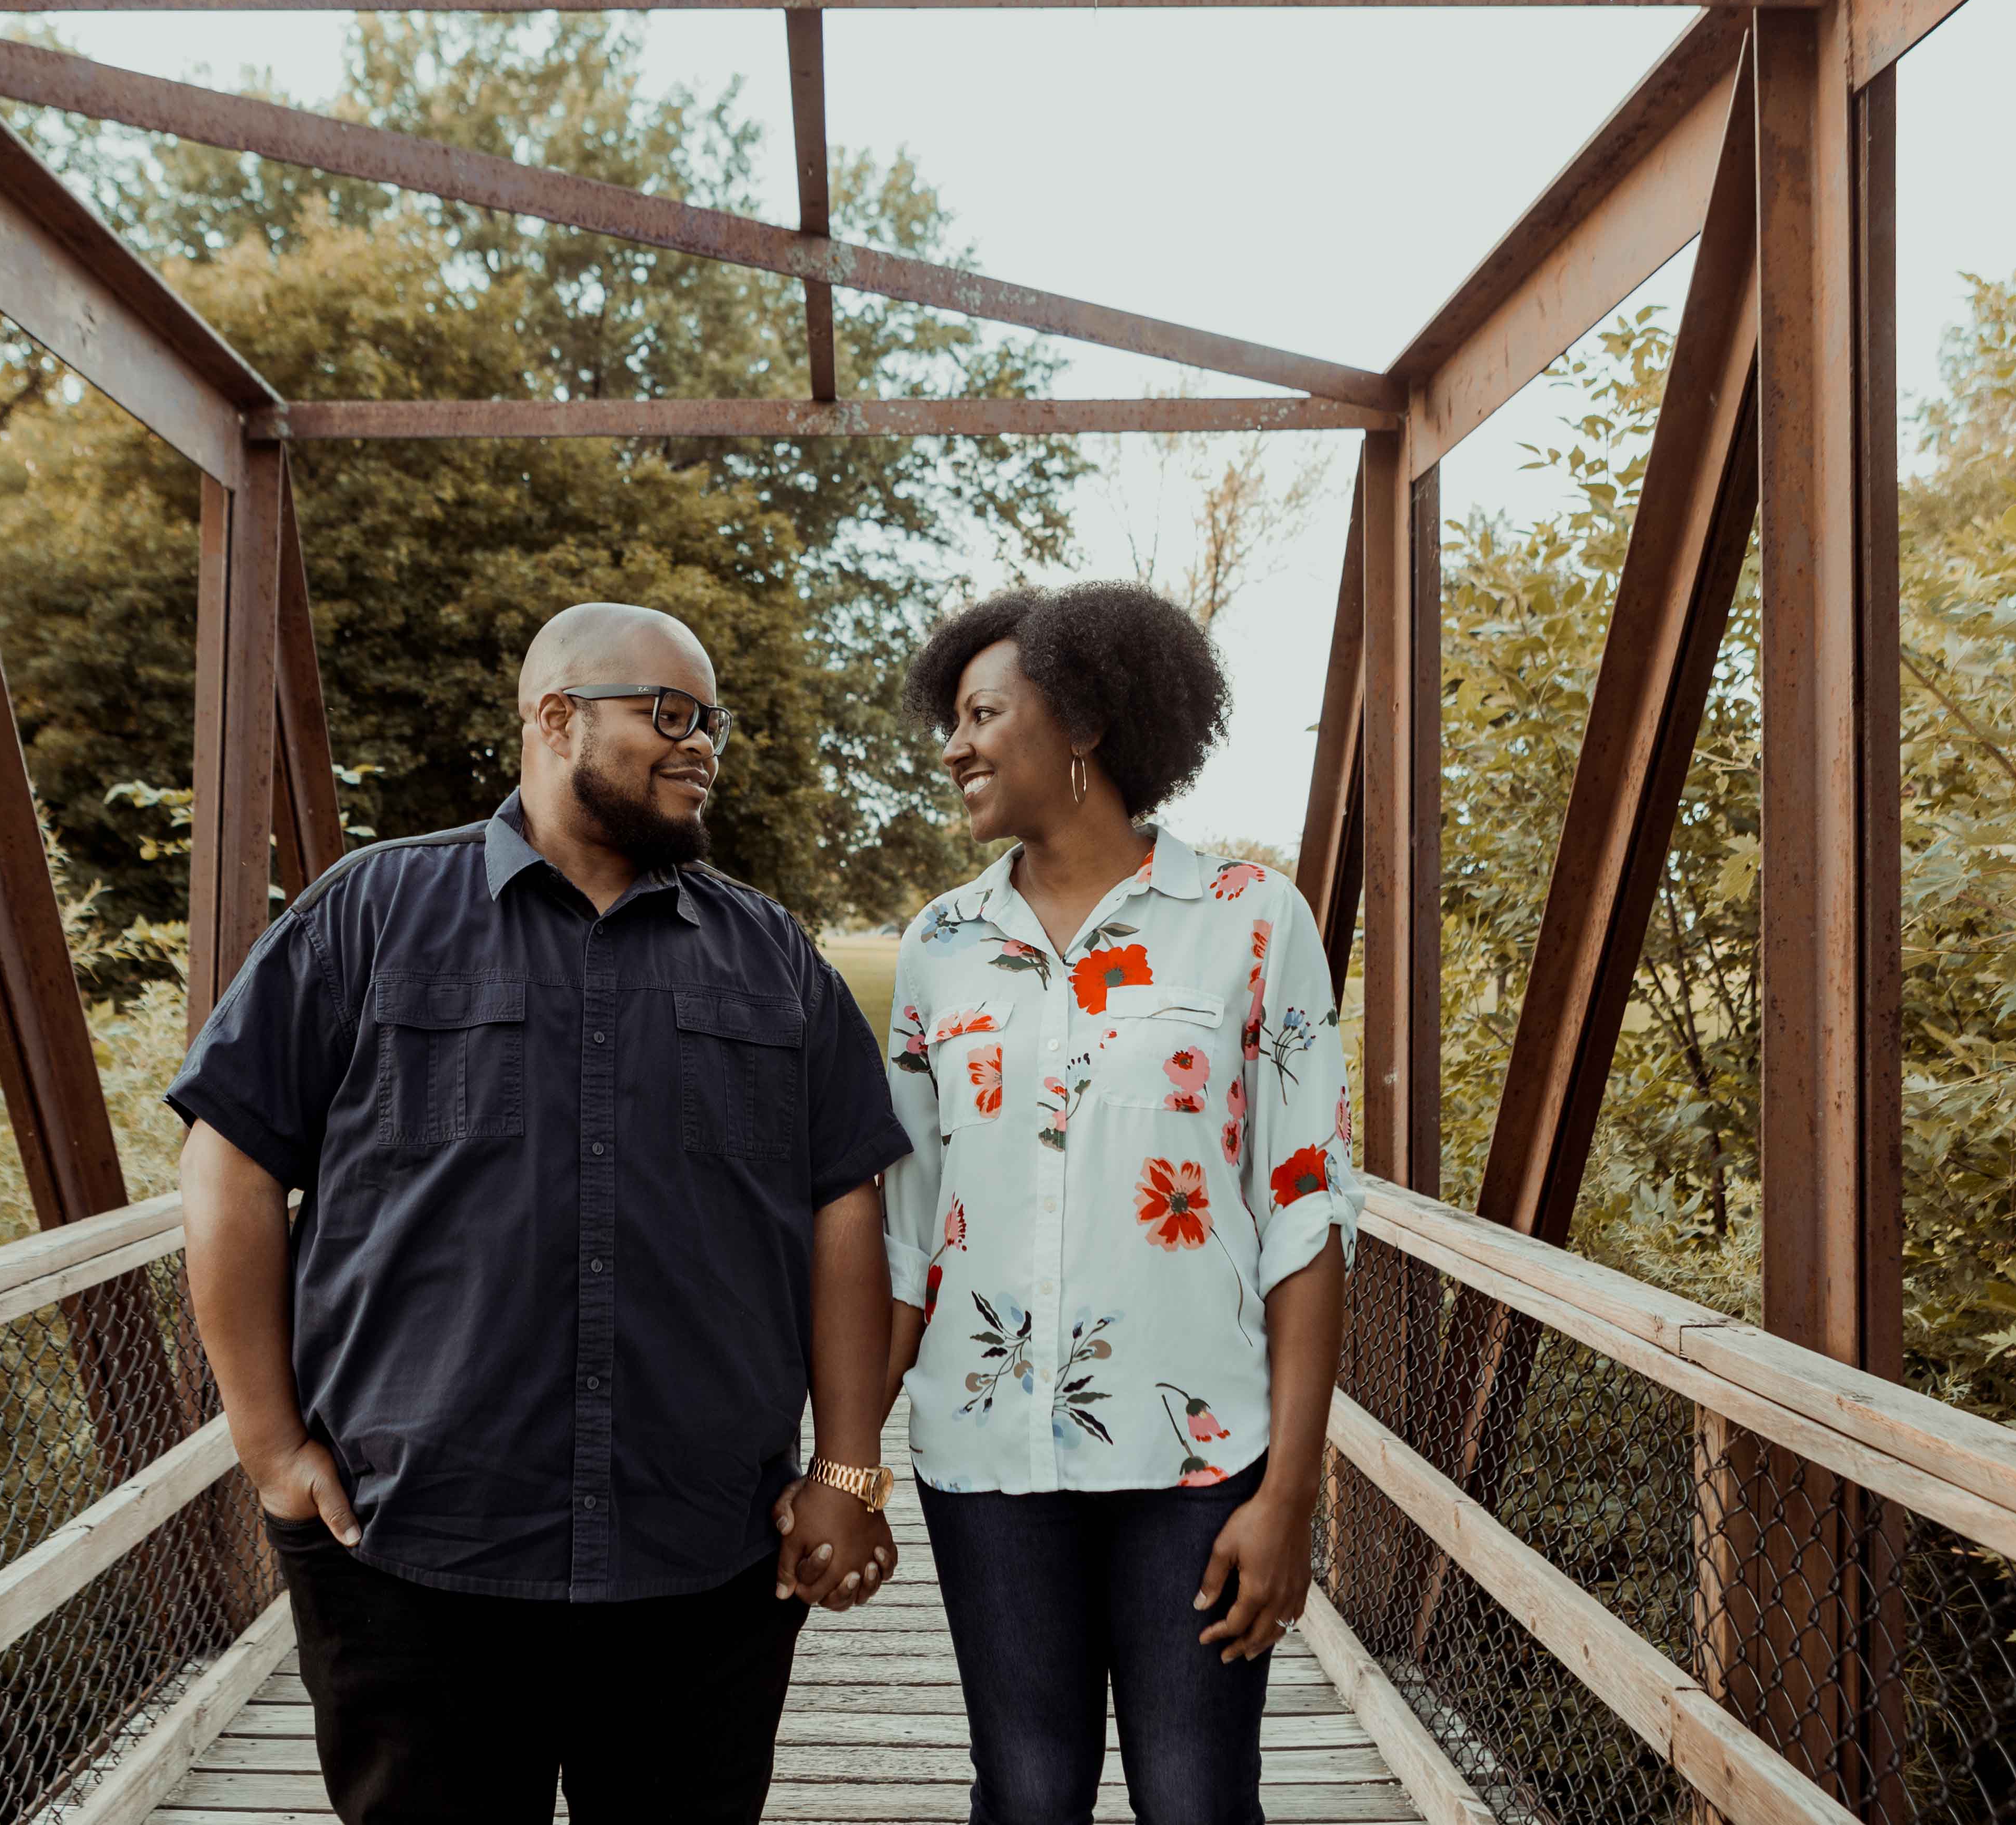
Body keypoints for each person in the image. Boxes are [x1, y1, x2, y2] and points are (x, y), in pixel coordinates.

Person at [168, 602, 912, 1825]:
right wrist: (268, 1445)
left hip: (703, 1554)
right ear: (556, 717)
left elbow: (846, 1202)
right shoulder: (370, 913)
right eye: (668, 714)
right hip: (414, 1548)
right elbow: (230, 1163)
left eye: (713, 720)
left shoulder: (770, 955)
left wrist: (849, 1466)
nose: (702, 745)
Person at [877, 584, 1358, 1825]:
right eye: (954, 717)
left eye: (985, 713)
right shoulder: (941, 945)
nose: (956, 744)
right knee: (1028, 1796)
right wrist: (841, 1462)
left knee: (1197, 1800)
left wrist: (1290, 1491)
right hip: (985, 1454)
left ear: (1082, 719)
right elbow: (908, 1233)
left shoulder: (1251, 921)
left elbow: (1306, 1215)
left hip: (1197, 1458)